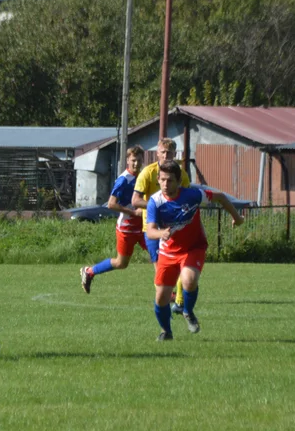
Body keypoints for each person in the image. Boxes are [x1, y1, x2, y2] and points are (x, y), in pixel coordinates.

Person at [144, 159, 243, 341]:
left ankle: (187, 311)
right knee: (161, 298)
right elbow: (149, 231)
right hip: (167, 252)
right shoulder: (155, 202)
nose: (166, 184)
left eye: (170, 180)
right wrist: (160, 233)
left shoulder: (192, 195)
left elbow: (220, 196)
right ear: (158, 179)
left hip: (193, 248)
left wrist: (236, 218)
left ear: (179, 181)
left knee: (189, 280)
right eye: (163, 179)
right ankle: (166, 332)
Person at [131, 138, 191, 314]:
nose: (166, 155)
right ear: (157, 153)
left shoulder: (182, 175)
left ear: (175, 154)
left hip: (173, 227)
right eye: (163, 152)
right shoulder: (148, 173)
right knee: (161, 272)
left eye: (169, 153)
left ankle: (179, 301)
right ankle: (166, 303)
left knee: (180, 264)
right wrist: (155, 205)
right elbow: (135, 200)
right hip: (152, 228)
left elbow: (186, 197)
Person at [80, 146, 146, 293]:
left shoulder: (143, 175)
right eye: (133, 160)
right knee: (121, 263)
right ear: (128, 160)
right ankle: (89, 272)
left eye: (139, 160)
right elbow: (111, 204)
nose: (136, 164)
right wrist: (133, 212)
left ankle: (169, 292)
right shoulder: (123, 180)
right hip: (127, 227)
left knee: (160, 254)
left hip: (143, 226)